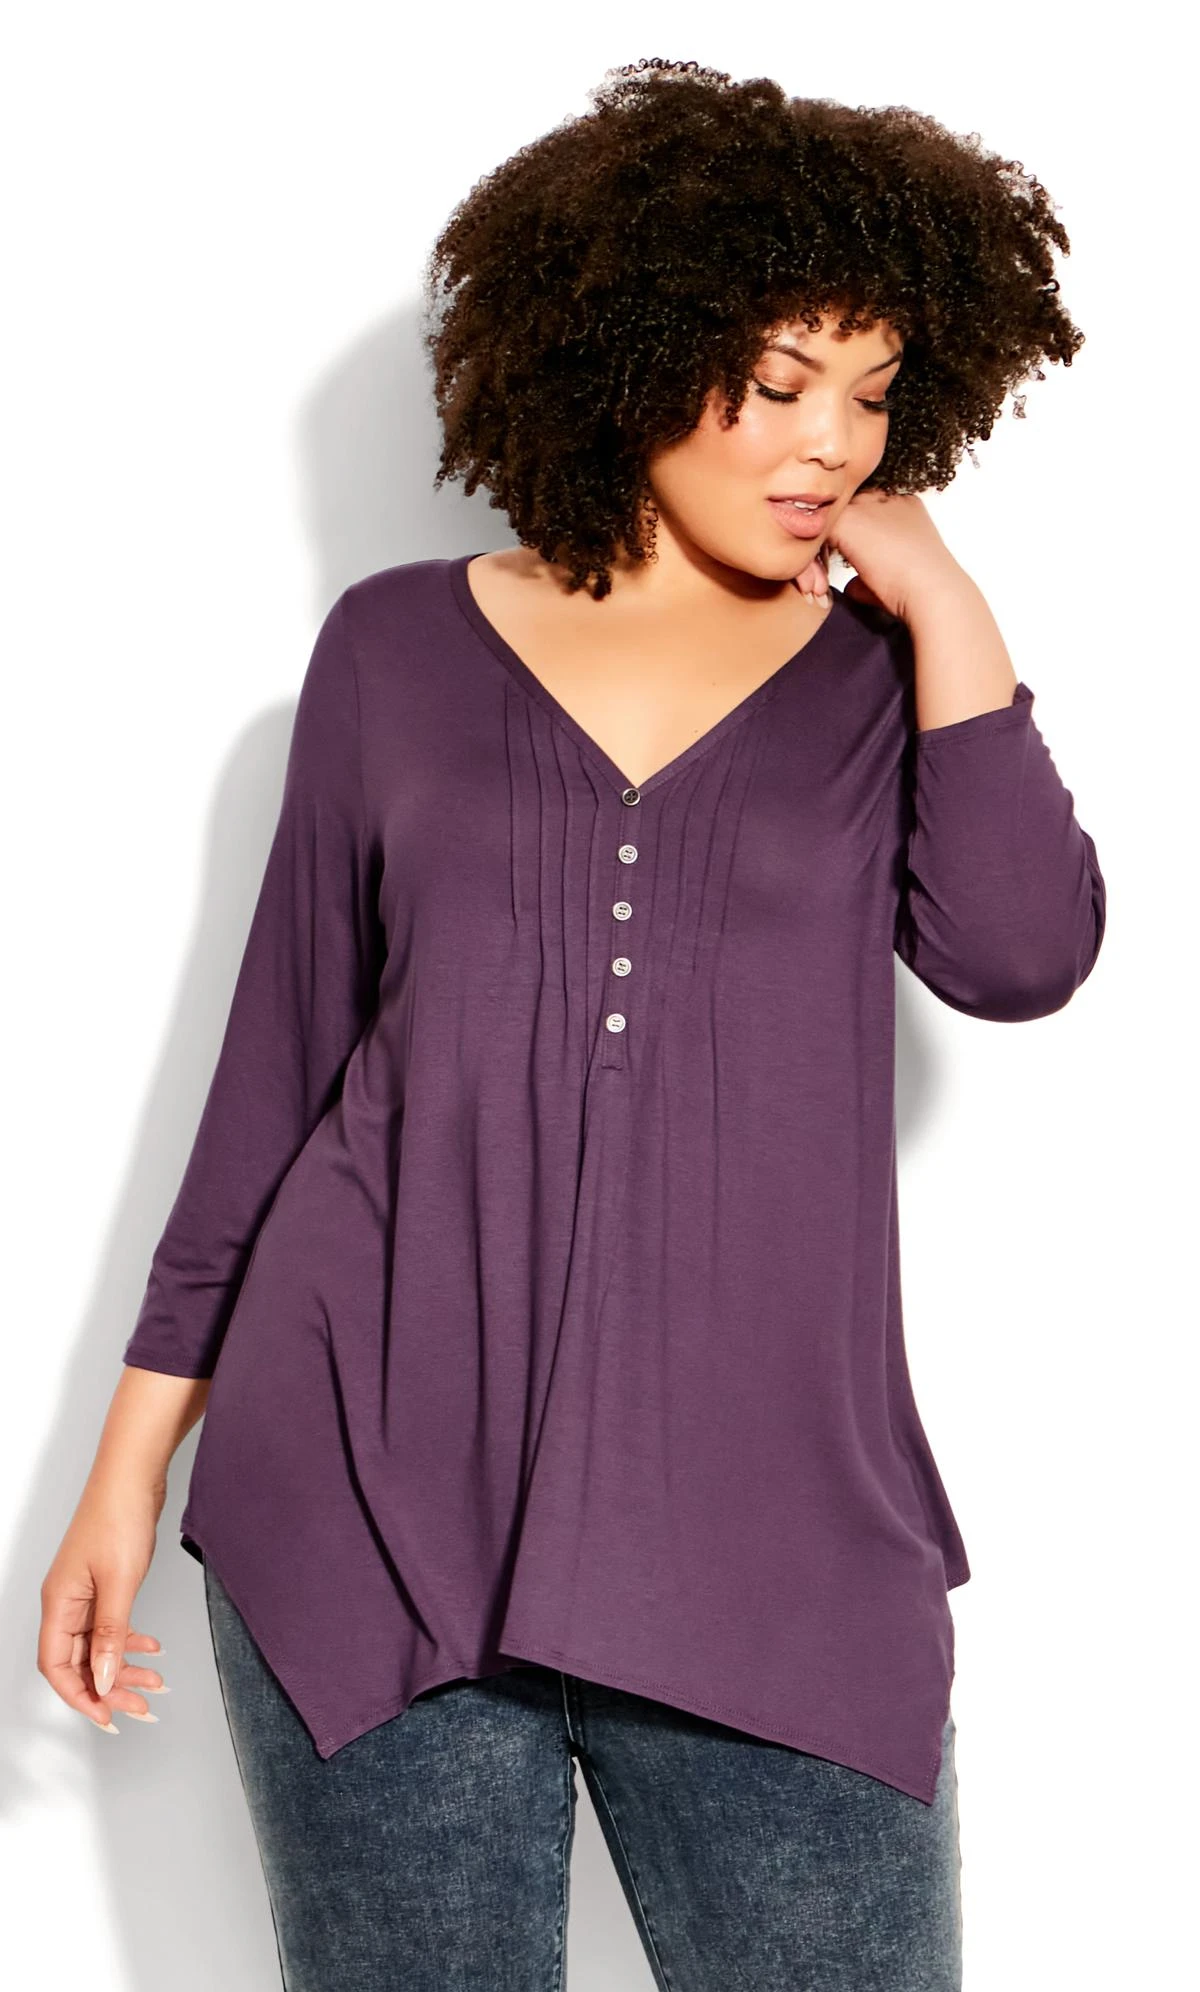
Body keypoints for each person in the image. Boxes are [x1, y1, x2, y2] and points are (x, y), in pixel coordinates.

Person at [39, 58, 1105, 1991]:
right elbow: (278, 1073)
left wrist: (946, 602)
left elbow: (1020, 956)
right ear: (633, 350)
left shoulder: (883, 682)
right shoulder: (391, 648)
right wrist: (126, 1469)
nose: (832, 444)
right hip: (367, 1506)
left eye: (874, 394)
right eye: (780, 381)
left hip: (778, 1544)